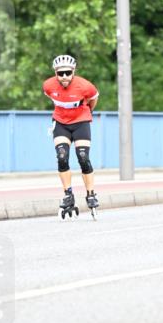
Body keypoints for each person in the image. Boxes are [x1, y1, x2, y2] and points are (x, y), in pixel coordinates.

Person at [43, 54, 99, 218]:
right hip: (61, 123)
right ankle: (68, 195)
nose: (65, 76)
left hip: (81, 122)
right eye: (61, 73)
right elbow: (53, 98)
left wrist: (88, 111)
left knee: (83, 157)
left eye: (68, 72)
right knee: (62, 156)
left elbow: (94, 98)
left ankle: (91, 194)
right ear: (55, 73)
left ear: (73, 71)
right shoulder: (48, 86)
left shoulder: (84, 86)